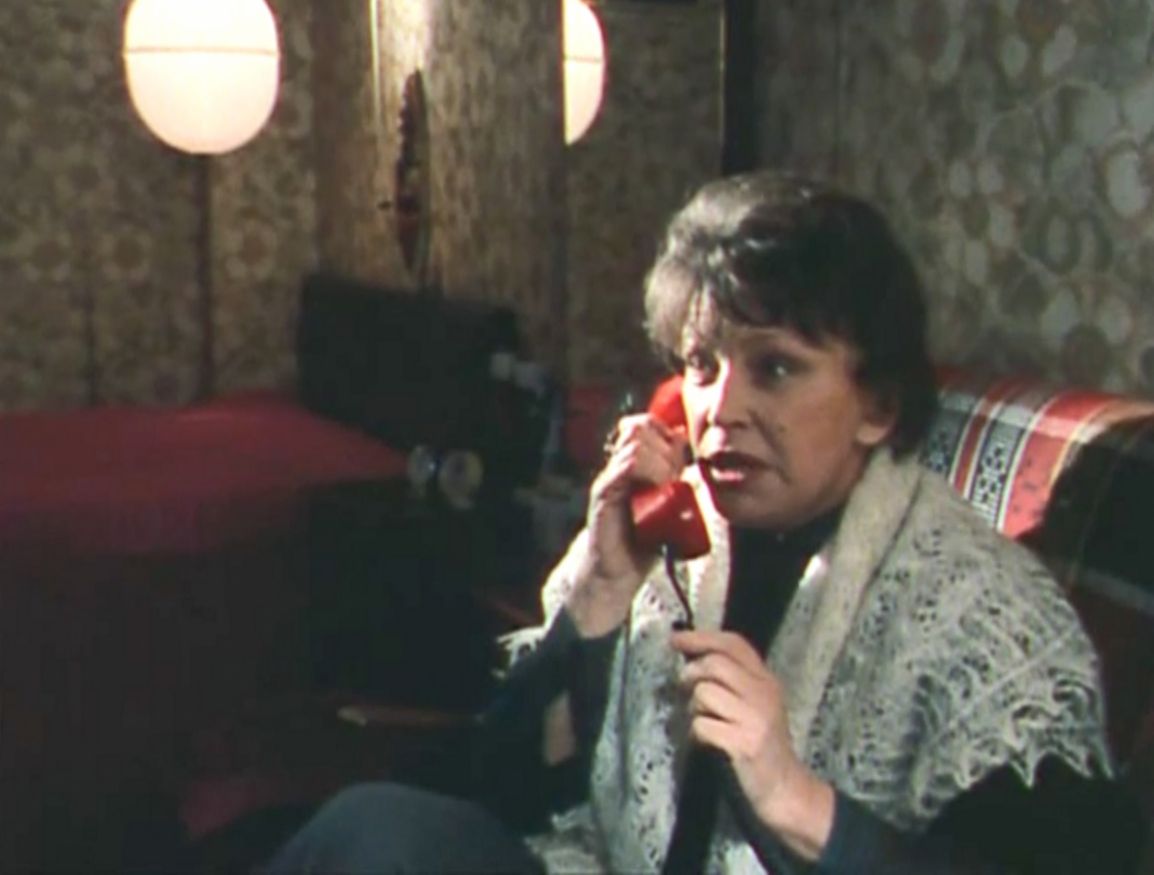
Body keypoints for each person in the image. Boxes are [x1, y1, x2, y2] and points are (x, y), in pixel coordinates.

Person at [264, 172, 1144, 873]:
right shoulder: (676, 551)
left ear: (878, 405)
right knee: (367, 829)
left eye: (776, 369)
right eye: (701, 364)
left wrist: (797, 800)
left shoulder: (984, 617)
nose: (720, 409)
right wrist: (600, 595)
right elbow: (498, 788)